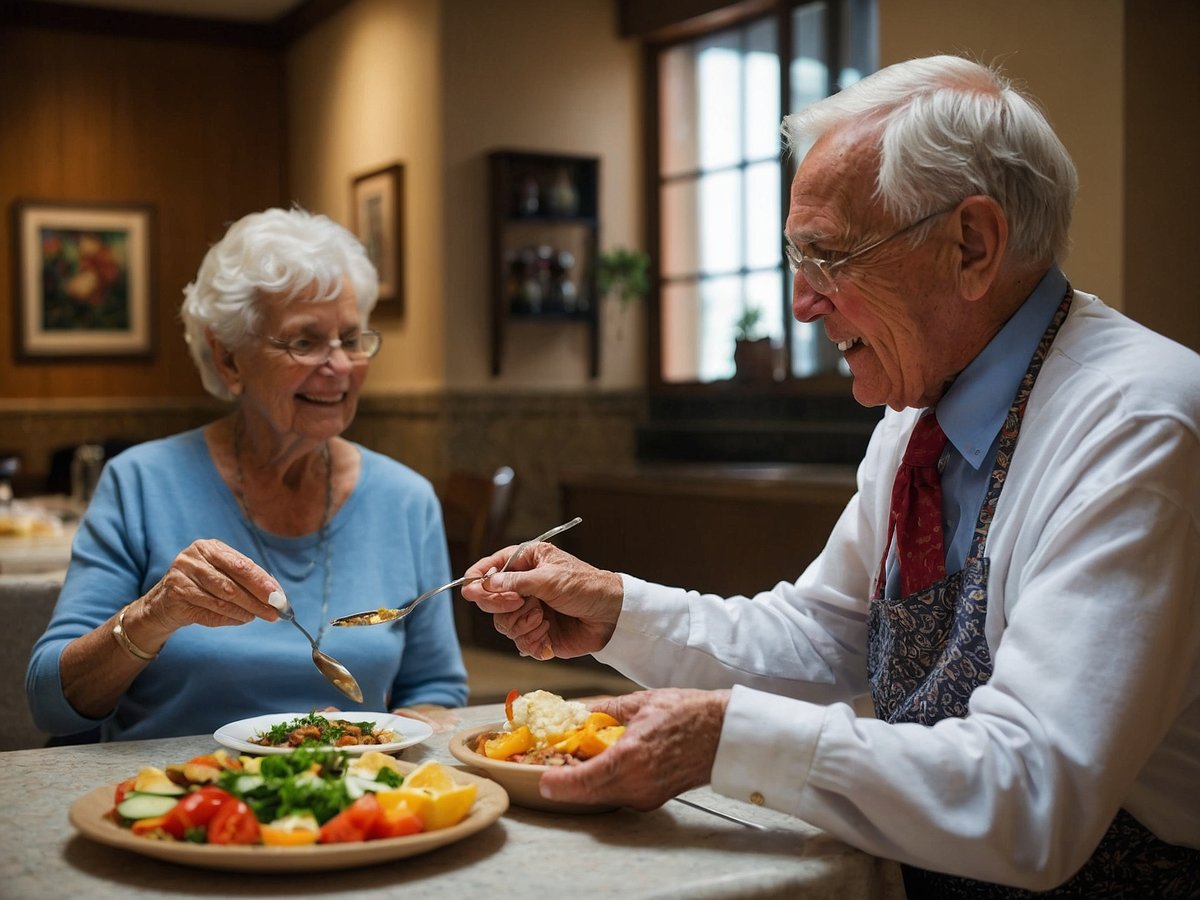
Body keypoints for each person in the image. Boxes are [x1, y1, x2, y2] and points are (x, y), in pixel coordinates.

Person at [462, 55, 1200, 897]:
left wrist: (724, 740)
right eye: (795, 258)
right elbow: (827, 636)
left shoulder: (1139, 424)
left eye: (832, 255)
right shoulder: (915, 414)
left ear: (973, 245)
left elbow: (1035, 796)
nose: (804, 301)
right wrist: (616, 612)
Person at [27, 207, 468, 742]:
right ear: (228, 358)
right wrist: (155, 614)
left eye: (351, 339)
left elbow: (434, 688)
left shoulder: (406, 500)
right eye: (304, 342)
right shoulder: (140, 484)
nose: (340, 365)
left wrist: (400, 736)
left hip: (348, 806)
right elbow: (53, 703)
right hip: (178, 806)